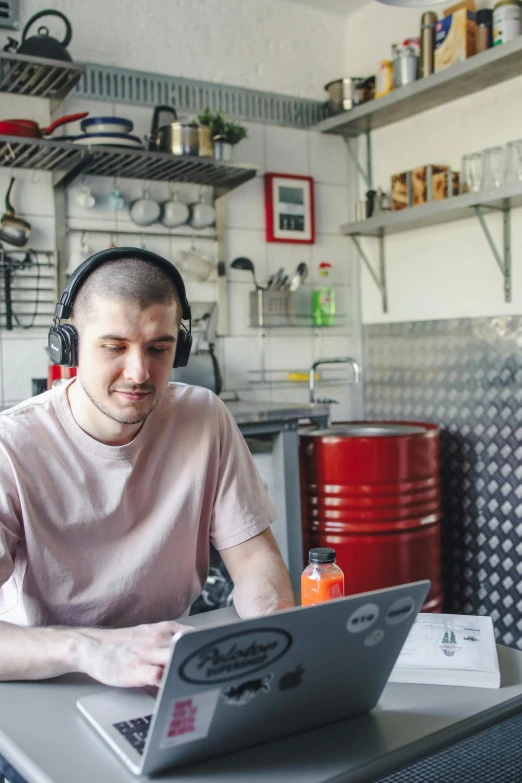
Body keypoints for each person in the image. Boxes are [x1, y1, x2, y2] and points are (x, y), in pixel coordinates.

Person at [0, 247, 295, 694]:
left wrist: (276, 638)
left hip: (171, 669)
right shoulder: (12, 445)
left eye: (159, 348)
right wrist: (90, 649)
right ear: (69, 346)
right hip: (52, 677)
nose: (139, 373)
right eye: (114, 347)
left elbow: (255, 558)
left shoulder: (204, 416)